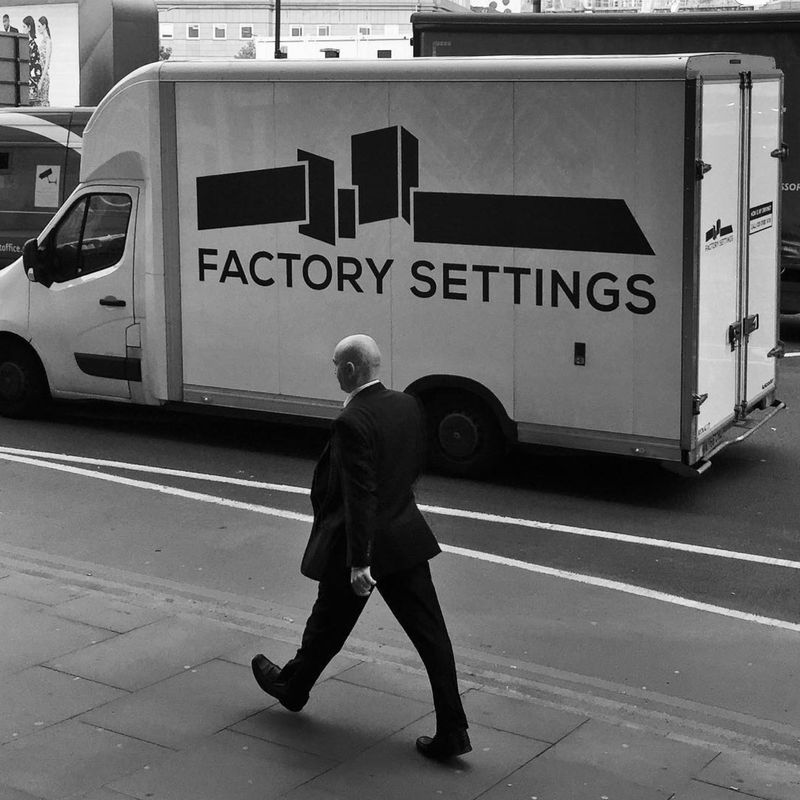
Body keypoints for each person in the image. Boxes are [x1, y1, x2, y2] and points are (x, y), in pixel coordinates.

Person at [251, 334, 471, 761]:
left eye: (335, 364)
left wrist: (360, 561)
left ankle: (293, 687)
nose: (333, 371)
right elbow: (411, 465)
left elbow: (359, 493)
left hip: (359, 548)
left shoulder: (351, 422)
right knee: (432, 638)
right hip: (405, 540)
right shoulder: (408, 404)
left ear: (350, 370)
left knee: (326, 625)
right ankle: (454, 729)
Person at [22, 16, 40, 105]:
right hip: (24, 81)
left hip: (31, 82)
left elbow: (35, 65)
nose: (23, 29)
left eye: (24, 27)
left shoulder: (33, 45)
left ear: (29, 28)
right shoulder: (24, 43)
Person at [35, 17, 51, 106]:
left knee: (43, 102)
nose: (38, 29)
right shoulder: (42, 41)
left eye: (39, 26)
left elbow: (47, 63)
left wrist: (41, 80)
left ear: (44, 26)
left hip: (44, 78)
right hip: (39, 76)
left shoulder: (48, 41)